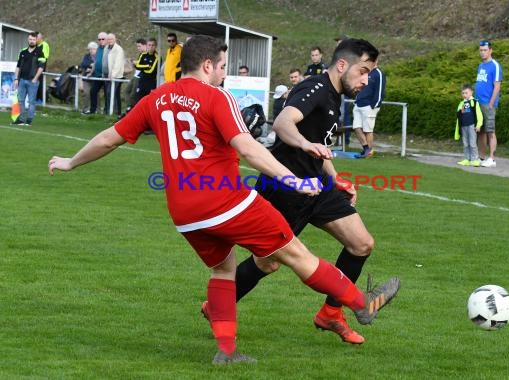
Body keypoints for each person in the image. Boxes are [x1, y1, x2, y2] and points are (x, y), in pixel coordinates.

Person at [47, 34, 398, 365]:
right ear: (208, 66)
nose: (225, 73)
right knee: (297, 255)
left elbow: (110, 138)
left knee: (223, 269)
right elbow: (248, 149)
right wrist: (291, 179)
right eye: (224, 66)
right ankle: (360, 304)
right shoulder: (217, 97)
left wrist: (70, 162)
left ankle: (226, 352)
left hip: (184, 212)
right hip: (226, 201)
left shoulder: (155, 99)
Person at [207, 38, 400, 345]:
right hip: (285, 187)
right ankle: (217, 306)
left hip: (318, 186)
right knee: (267, 263)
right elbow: (284, 123)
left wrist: (335, 178)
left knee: (361, 244)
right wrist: (303, 144)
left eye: (370, 74)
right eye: (363, 71)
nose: (366, 80)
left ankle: (331, 314)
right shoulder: (314, 88)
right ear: (342, 65)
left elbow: (319, 145)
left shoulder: (336, 97)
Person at [475, 39, 503, 168]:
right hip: (478, 103)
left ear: (490, 51)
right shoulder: (480, 66)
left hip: (488, 104)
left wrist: (491, 103)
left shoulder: (495, 66)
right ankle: (481, 157)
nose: (482, 53)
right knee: (480, 131)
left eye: (485, 50)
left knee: (490, 131)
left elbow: (497, 86)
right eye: (481, 50)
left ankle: (492, 158)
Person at [352, 59, 386, 158]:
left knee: (368, 130)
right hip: (358, 104)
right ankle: (366, 148)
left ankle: (369, 153)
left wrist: (374, 105)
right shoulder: (364, 72)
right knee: (356, 127)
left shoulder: (378, 73)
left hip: (369, 106)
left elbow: (380, 91)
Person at [12, 31, 45, 126]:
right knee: (20, 100)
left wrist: (35, 78)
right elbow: (18, 67)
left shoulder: (40, 52)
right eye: (30, 39)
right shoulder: (23, 52)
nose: (32, 41)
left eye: (33, 40)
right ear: (28, 40)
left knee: (31, 102)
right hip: (22, 80)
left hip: (33, 81)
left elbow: (41, 67)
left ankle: (29, 120)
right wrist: (16, 79)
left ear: (36, 40)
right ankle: (21, 119)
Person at [455, 84, 483, 166]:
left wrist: (478, 125)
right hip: (463, 126)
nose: (464, 95)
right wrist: (460, 112)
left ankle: (475, 159)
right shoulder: (461, 103)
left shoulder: (474, 102)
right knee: (466, 143)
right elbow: (458, 115)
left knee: (472, 143)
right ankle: (467, 159)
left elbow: (479, 114)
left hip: (472, 126)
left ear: (471, 92)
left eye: (466, 93)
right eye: (463, 93)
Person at [85, 32, 108, 115]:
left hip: (106, 76)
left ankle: (107, 112)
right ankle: (92, 111)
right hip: (97, 75)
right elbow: (96, 62)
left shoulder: (109, 48)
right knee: (93, 91)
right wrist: (91, 72)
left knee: (107, 94)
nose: (101, 41)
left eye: (103, 39)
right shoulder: (98, 49)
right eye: (99, 39)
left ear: (106, 39)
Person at [124, 38, 147, 113]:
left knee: (133, 95)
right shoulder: (141, 54)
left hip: (140, 77)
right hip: (135, 76)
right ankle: (130, 108)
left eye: (139, 46)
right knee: (126, 91)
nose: (138, 48)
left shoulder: (147, 54)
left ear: (145, 45)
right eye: (137, 46)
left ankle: (133, 111)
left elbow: (144, 65)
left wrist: (134, 62)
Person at [105, 33, 125, 116]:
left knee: (112, 93)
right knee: (111, 93)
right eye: (108, 39)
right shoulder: (107, 48)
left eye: (111, 39)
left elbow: (117, 64)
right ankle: (113, 112)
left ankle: (115, 112)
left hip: (117, 76)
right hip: (109, 75)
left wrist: (113, 75)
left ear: (115, 39)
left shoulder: (118, 49)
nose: (110, 41)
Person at [133, 38, 158, 104]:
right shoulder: (143, 55)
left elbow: (151, 71)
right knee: (139, 100)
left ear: (155, 46)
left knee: (149, 102)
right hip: (142, 81)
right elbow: (137, 67)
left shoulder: (157, 57)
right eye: (149, 45)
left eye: (153, 45)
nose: (151, 47)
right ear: (146, 45)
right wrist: (147, 66)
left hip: (151, 83)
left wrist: (142, 67)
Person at [79, 42, 98, 113]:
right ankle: (85, 109)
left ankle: (96, 109)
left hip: (95, 78)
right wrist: (91, 65)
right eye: (90, 49)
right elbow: (83, 64)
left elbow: (99, 65)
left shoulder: (99, 56)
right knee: (86, 93)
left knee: (95, 94)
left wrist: (92, 68)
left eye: (92, 49)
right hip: (86, 78)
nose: (91, 51)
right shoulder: (86, 56)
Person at [36, 32, 50, 104]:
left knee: (40, 83)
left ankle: (40, 99)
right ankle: (35, 98)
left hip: (41, 67)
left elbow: (44, 57)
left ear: (40, 38)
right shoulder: (36, 45)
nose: (36, 39)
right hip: (34, 68)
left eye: (37, 37)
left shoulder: (44, 45)